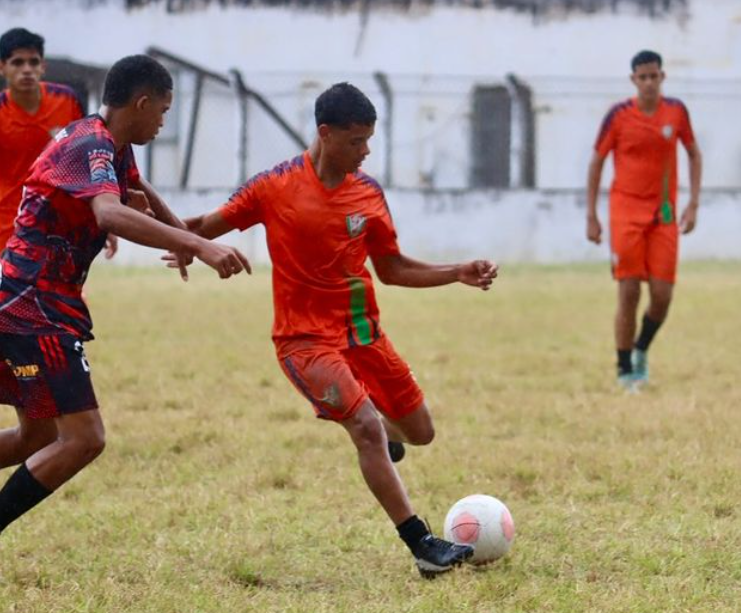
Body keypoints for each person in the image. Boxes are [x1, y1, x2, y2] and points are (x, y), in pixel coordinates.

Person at [181, 82, 498, 578]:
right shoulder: (274, 185)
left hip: (363, 334)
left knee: (421, 432)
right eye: (357, 141)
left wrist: (455, 271)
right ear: (325, 134)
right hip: (304, 341)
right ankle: (422, 545)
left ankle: (377, 431)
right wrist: (161, 230)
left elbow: (392, 269)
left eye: (369, 140)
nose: (366, 151)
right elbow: (206, 222)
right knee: (367, 430)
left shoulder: (368, 194)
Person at [0, 54, 251, 536]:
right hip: (36, 309)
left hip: (26, 301)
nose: (162, 121)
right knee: (85, 439)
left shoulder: (108, 142)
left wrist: (183, 240)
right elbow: (111, 215)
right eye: (162, 111)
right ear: (141, 103)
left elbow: (138, 187)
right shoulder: (92, 143)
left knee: (36, 436)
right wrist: (198, 242)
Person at [586, 50, 702, 390]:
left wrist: (693, 203)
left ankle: (640, 349)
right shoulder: (619, 115)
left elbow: (694, 153)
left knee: (663, 295)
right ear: (633, 80)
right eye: (643, 77)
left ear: (662, 77)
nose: (649, 82)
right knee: (629, 290)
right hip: (625, 212)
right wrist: (591, 214)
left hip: (663, 215)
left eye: (655, 76)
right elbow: (596, 162)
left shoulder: (676, 112)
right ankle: (625, 370)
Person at [0, 27, 118, 257]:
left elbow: (88, 161)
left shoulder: (67, 101)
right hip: (5, 227)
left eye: (33, 62)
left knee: (61, 291)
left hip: (56, 225)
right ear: (2, 67)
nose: (27, 70)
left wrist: (103, 217)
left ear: (43, 66)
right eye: (17, 62)